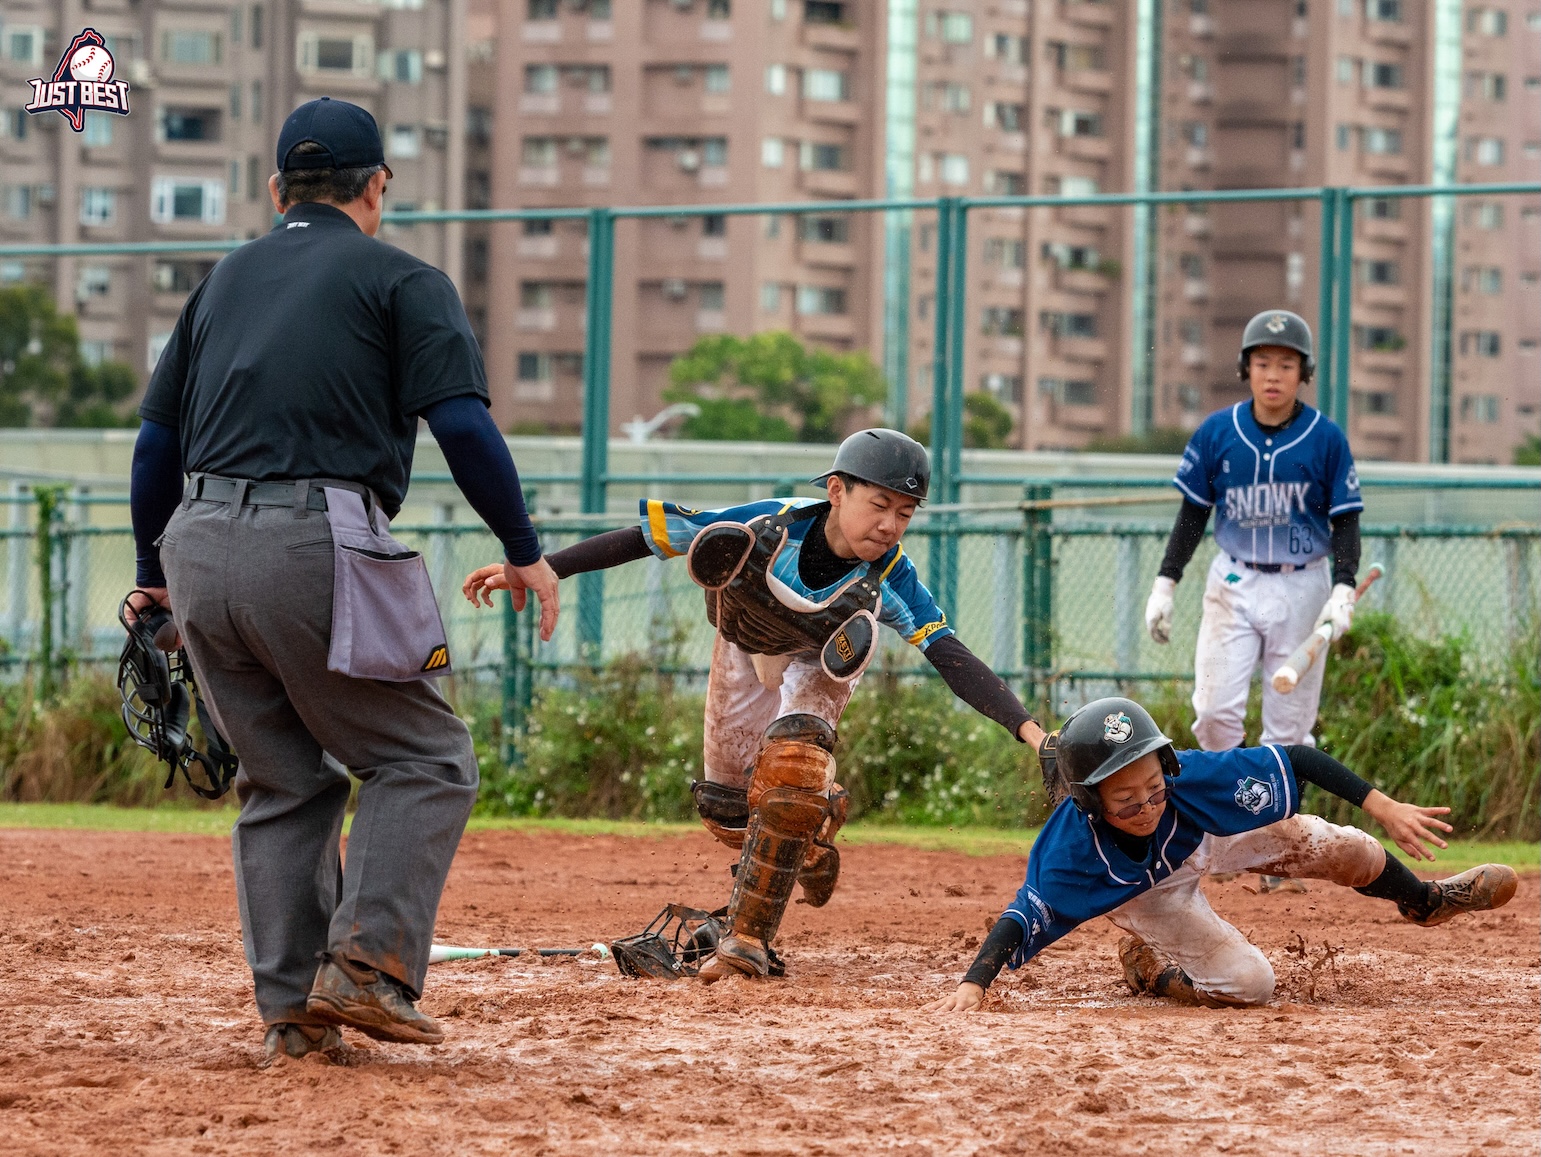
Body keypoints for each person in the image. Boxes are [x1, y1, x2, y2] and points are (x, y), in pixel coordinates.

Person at [128, 97, 559, 1064]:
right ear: (377, 189)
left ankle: (291, 1013)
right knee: (422, 758)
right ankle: (365, 971)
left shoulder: (222, 281)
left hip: (197, 542)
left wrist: (154, 576)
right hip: (316, 540)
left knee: (280, 778)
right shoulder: (401, 277)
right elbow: (461, 426)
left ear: (275, 188)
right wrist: (524, 546)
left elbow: (154, 443)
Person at [464, 428, 1049, 981]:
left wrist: (1031, 732)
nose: (890, 523)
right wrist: (540, 567)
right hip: (744, 644)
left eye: (905, 511)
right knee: (726, 809)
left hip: (821, 659)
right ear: (837, 490)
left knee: (791, 773)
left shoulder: (891, 576)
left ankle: (746, 941)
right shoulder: (769, 524)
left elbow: (949, 655)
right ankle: (813, 831)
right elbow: (646, 539)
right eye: (880, 504)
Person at [924, 697, 1517, 1013]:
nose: (1147, 804)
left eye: (1154, 786)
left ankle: (1425, 900)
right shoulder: (1071, 853)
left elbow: (1297, 760)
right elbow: (1021, 915)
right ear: (1089, 802)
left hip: (1205, 834)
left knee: (1343, 846)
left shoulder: (1186, 784)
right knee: (1250, 983)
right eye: (1125, 799)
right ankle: (1151, 970)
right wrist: (976, 982)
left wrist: (1380, 804)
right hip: (1145, 893)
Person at [1144, 309, 1362, 893]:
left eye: (1285, 364)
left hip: (1302, 581)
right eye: (1262, 362)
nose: (1273, 374)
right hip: (1234, 581)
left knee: (1289, 728)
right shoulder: (1218, 433)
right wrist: (1167, 582)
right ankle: (1222, 835)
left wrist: (1344, 586)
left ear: (1302, 373)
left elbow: (1345, 522)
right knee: (1215, 713)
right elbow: (1193, 515)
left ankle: (1278, 849)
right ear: (1246, 368)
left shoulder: (1325, 439)